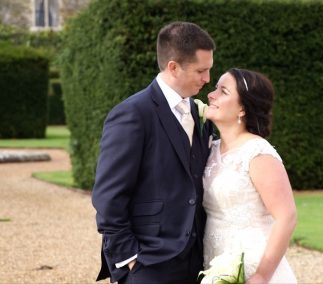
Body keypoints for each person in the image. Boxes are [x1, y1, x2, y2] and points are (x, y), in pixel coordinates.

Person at [91, 21, 215, 284]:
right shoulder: (132, 113)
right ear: (173, 67)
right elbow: (108, 195)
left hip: (196, 260)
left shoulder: (196, 111)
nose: (207, 79)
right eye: (201, 71)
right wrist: (129, 257)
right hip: (149, 261)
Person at [202, 68, 298, 283]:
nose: (211, 94)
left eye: (223, 91)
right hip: (215, 262)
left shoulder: (257, 153)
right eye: (215, 88)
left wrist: (262, 275)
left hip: (253, 264)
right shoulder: (210, 149)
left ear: (242, 108)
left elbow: (287, 217)